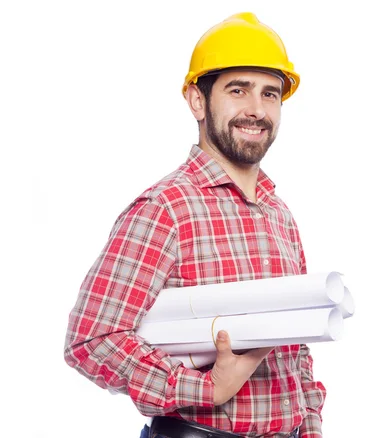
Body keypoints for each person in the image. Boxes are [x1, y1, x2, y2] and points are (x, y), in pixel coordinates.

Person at [64, 12, 326, 438]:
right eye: (238, 90)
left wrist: (311, 427)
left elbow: (295, 354)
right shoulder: (166, 208)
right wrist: (207, 387)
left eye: (270, 94)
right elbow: (91, 342)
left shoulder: (279, 214)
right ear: (197, 101)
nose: (256, 110)